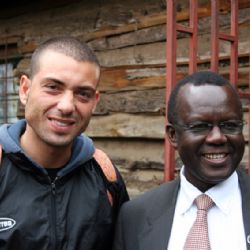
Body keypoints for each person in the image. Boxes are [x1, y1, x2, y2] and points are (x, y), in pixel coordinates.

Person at [0, 36, 129, 250]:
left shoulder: (105, 176)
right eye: (53, 87)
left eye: (82, 94)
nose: (67, 106)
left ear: (95, 102)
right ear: (24, 90)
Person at [112, 71, 250, 250]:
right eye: (200, 126)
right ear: (173, 135)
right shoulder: (135, 216)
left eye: (230, 125)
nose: (218, 138)